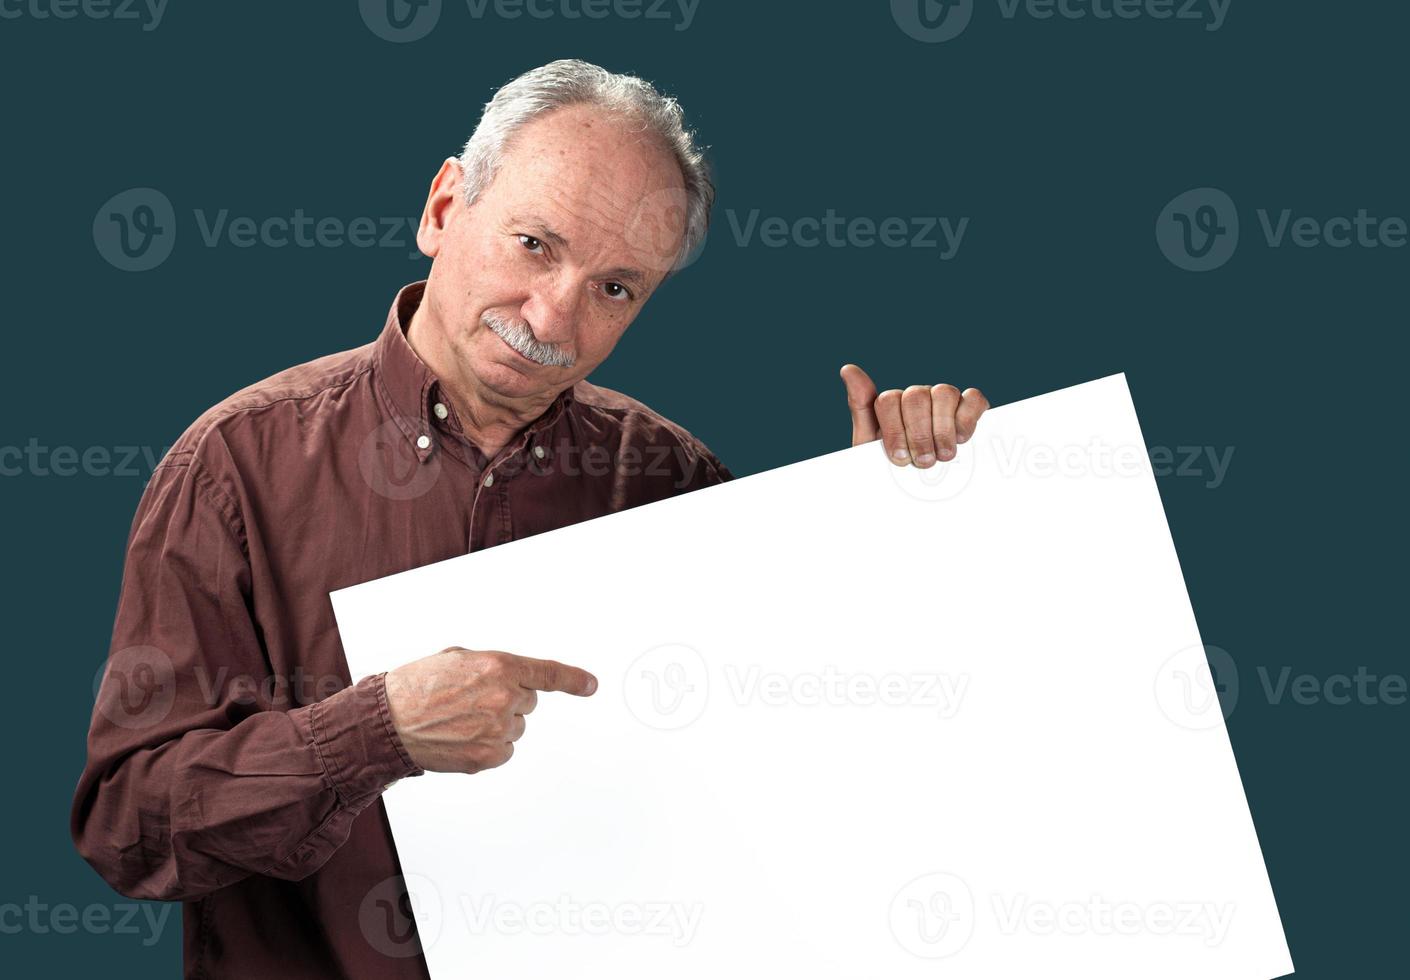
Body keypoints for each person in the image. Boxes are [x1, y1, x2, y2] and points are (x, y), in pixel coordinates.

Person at [71, 59, 989, 978]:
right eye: (535, 244)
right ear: (442, 210)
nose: (553, 316)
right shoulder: (235, 466)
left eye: (615, 288)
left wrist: (897, 521)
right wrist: (372, 733)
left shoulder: (671, 480)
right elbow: (128, 828)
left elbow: (812, 785)